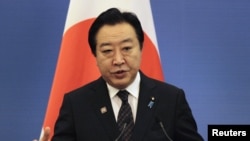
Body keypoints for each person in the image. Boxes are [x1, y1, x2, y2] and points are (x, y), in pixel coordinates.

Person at [38, 7, 204, 141]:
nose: (118, 60)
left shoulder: (171, 99)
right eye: (108, 51)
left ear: (141, 48)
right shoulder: (76, 104)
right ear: (95, 55)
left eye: (126, 49)